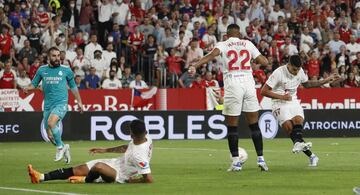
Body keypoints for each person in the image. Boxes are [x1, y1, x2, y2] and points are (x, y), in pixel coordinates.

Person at [193, 24, 269, 172]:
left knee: (232, 126)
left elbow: (211, 55)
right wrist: (253, 61)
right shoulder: (248, 44)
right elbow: (265, 62)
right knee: (254, 125)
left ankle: (236, 162)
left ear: (227, 35)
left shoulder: (223, 44)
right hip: (249, 85)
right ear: (239, 34)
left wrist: (195, 66)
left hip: (233, 85)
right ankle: (261, 160)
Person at [260, 55, 340, 167]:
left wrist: (325, 80)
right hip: (278, 102)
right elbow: (263, 91)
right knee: (289, 127)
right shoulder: (278, 73)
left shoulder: (300, 71)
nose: (296, 72)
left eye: (298, 69)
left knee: (298, 120)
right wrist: (282, 97)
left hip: (293, 100)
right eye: (294, 69)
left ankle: (306, 151)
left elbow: (307, 84)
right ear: (289, 64)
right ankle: (310, 154)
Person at [27, 120, 153, 184]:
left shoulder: (139, 155)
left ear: (132, 134)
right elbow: (126, 147)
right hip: (115, 163)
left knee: (98, 167)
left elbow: (148, 179)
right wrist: (104, 150)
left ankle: (85, 180)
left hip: (119, 175)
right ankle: (41, 177)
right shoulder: (145, 138)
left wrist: (131, 181)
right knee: (79, 168)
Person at [23, 47, 83, 164]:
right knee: (50, 136)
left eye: (58, 55)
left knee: (51, 123)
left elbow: (73, 87)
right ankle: (64, 148)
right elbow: (34, 84)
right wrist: (27, 88)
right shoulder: (42, 70)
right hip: (48, 105)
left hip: (61, 103)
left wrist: (79, 102)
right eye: (54, 56)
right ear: (48, 57)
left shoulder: (66, 70)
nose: (57, 58)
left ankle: (60, 148)